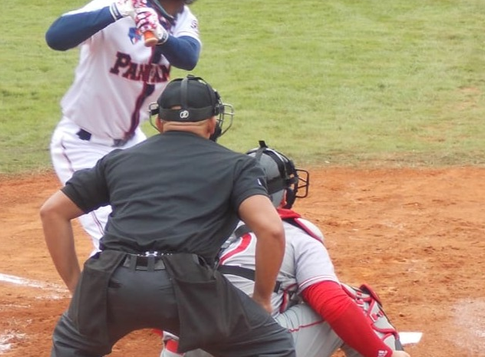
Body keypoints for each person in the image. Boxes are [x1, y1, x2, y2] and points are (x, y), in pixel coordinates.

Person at [39, 76, 297, 357]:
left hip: (111, 280)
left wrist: (79, 289)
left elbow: (52, 211)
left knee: (70, 346)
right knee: (272, 346)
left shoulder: (118, 159)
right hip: (188, 287)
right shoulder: (237, 166)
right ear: (212, 123)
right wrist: (261, 299)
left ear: (159, 122)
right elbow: (271, 230)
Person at [163, 142, 411, 357]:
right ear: (284, 195)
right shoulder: (294, 235)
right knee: (353, 303)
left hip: (187, 346)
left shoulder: (196, 225)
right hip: (251, 348)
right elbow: (332, 303)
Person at [46, 0, 211, 249]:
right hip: (83, 144)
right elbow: (56, 37)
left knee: (163, 218)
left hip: (134, 143)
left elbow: (187, 57)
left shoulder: (183, 19)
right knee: (115, 237)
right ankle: (93, 295)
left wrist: (160, 34)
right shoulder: (112, 8)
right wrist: (117, 10)